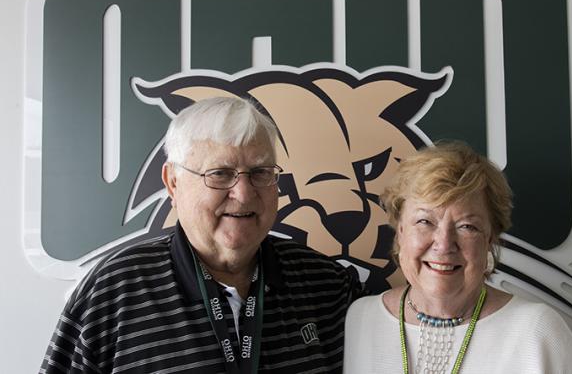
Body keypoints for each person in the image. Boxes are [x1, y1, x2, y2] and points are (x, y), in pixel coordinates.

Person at [42, 96, 361, 373]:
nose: (244, 193)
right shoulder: (112, 292)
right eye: (220, 173)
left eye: (260, 172)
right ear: (173, 182)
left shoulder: (327, 286)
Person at [343, 141, 572, 374]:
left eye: (467, 226)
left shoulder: (536, 330)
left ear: (490, 239)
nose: (443, 245)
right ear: (400, 231)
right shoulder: (362, 319)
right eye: (424, 221)